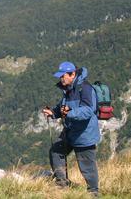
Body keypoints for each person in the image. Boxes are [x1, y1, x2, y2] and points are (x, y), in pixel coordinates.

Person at [42, 61, 100, 196]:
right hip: (70, 131)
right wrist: (54, 113)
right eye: (60, 76)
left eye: (63, 76)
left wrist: (70, 113)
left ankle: (93, 192)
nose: (61, 79)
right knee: (56, 151)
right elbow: (63, 106)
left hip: (84, 133)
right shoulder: (68, 89)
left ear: (72, 74)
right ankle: (62, 184)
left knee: (86, 165)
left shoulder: (85, 88)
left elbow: (88, 110)